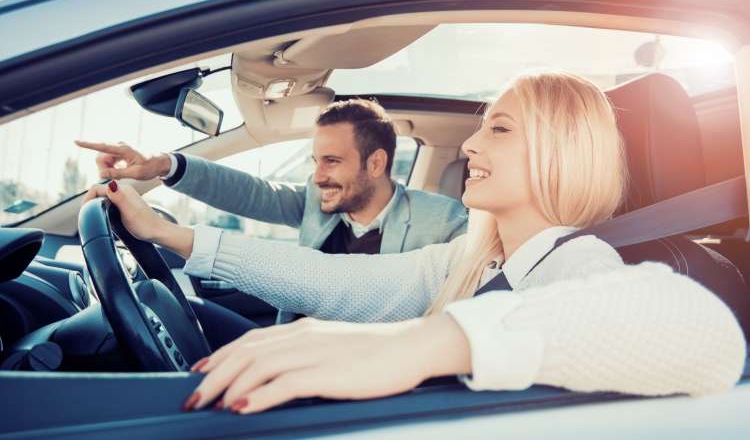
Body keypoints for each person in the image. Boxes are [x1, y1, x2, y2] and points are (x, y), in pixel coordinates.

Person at [84, 71, 746, 415]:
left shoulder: (579, 262)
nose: (471, 145)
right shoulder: (476, 259)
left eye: (501, 129)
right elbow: (327, 282)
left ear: (560, 151)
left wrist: (416, 345)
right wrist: (167, 233)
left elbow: (709, 337)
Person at [77, 99, 468, 325]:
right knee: (183, 314)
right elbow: (251, 193)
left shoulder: (444, 224)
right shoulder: (319, 204)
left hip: (363, 374)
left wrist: (160, 230)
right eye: (315, 161)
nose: (317, 177)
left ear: (377, 164)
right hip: (293, 345)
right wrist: (164, 165)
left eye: (331, 161)